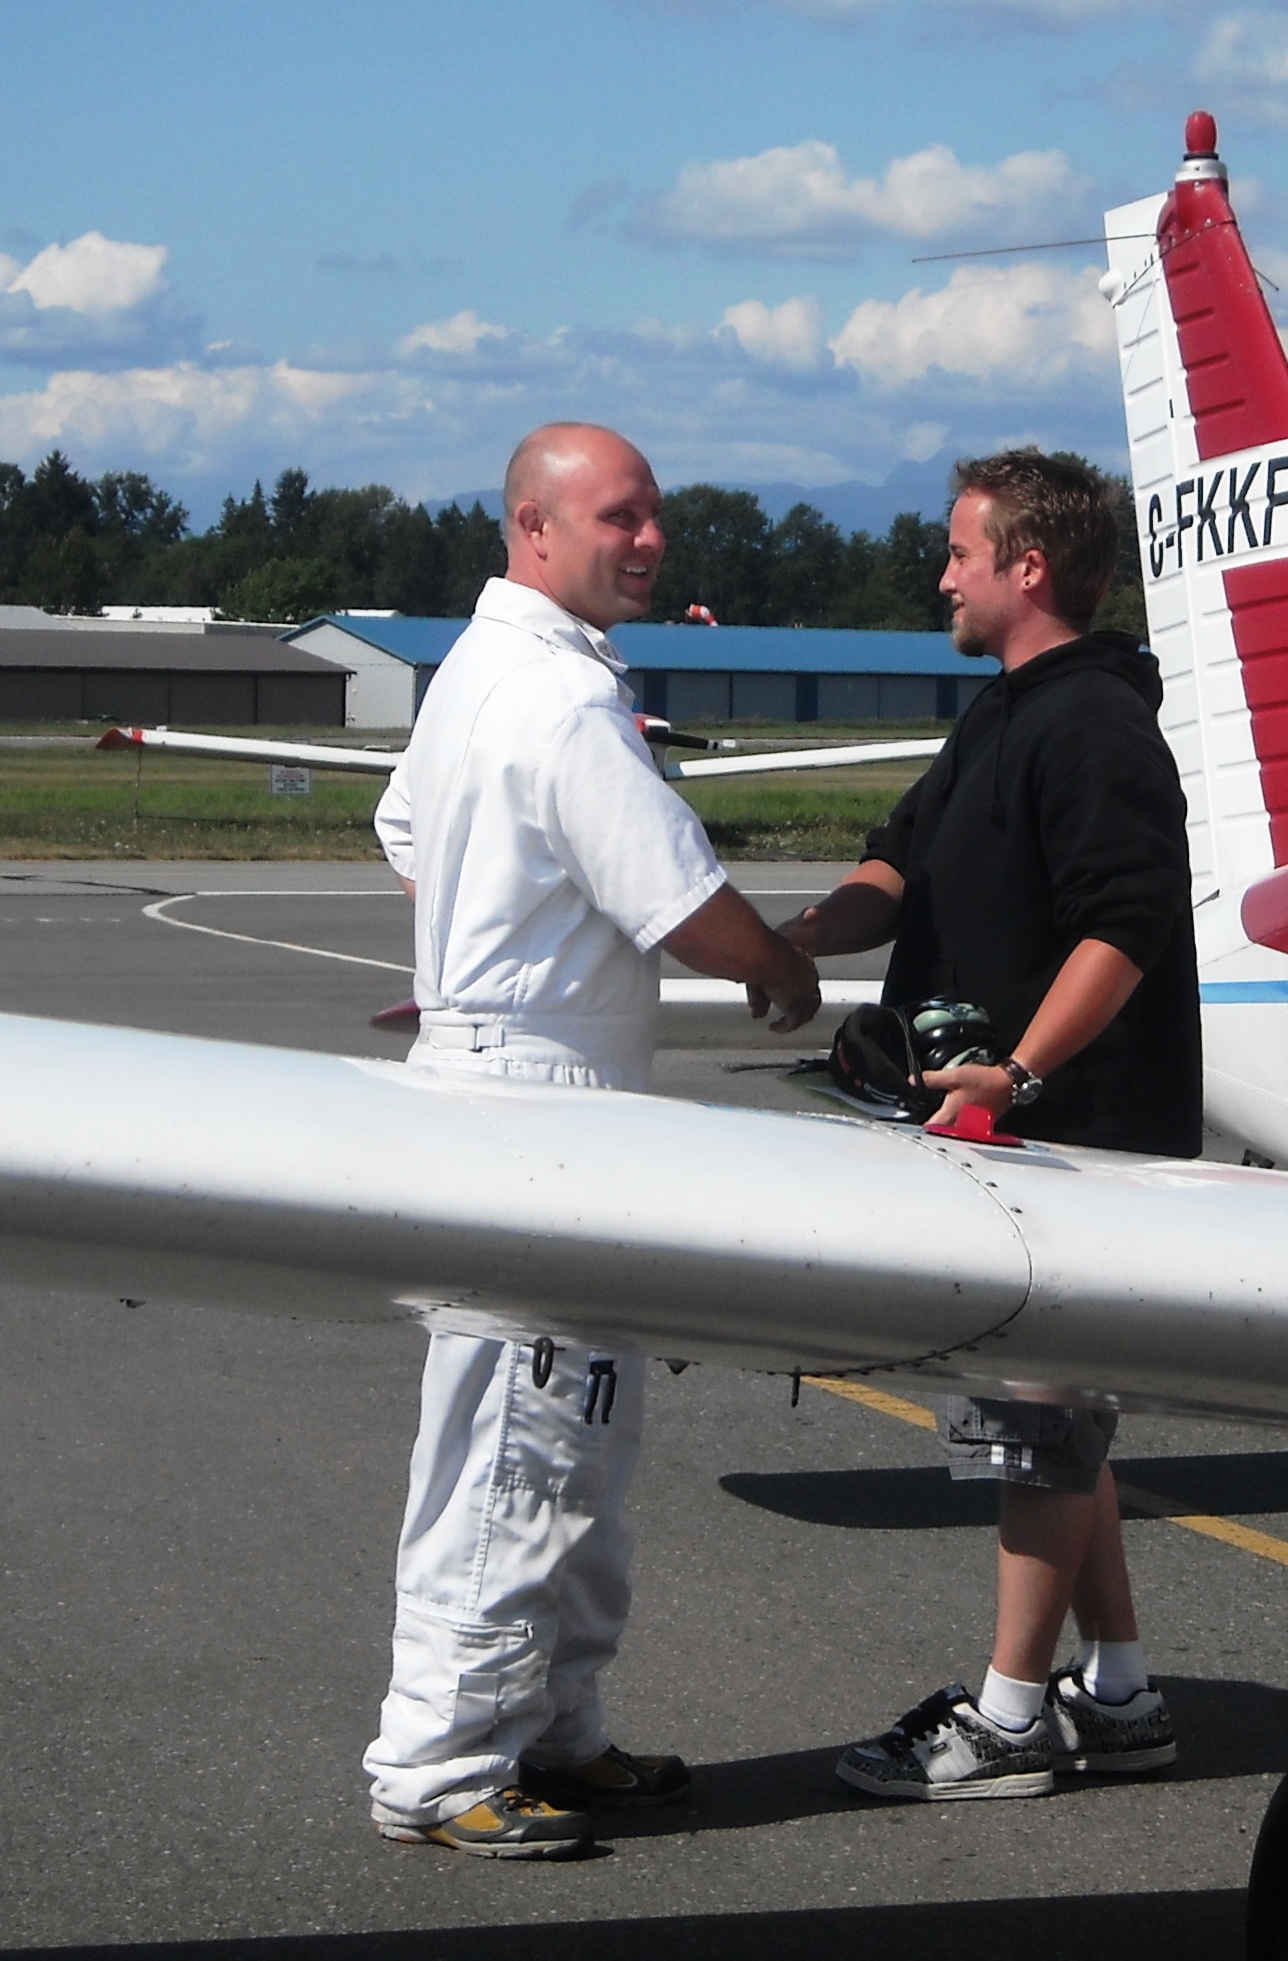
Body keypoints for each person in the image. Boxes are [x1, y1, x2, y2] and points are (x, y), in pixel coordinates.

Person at [363, 421, 822, 1857]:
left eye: (653, 517)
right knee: (518, 1445)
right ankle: (440, 1767)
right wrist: (779, 968)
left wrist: (486, 926)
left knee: (580, 1445)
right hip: (535, 1104)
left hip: (531, 1073)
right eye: (621, 518)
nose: (649, 542)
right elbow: (680, 901)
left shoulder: (479, 678)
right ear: (534, 528)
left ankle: (555, 1729)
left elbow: (402, 826)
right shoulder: (558, 702)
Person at [785, 448, 1200, 1802]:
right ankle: (1122, 1695)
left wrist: (1014, 1073)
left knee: (1039, 1426)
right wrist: (775, 942)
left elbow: (1127, 923)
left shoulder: (1094, 728)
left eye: (961, 549)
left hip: (1069, 1133)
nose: (942, 571)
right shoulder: (1000, 718)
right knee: (1059, 1418)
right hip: (1000, 1128)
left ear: (1028, 567)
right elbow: (893, 865)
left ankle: (1013, 1722)